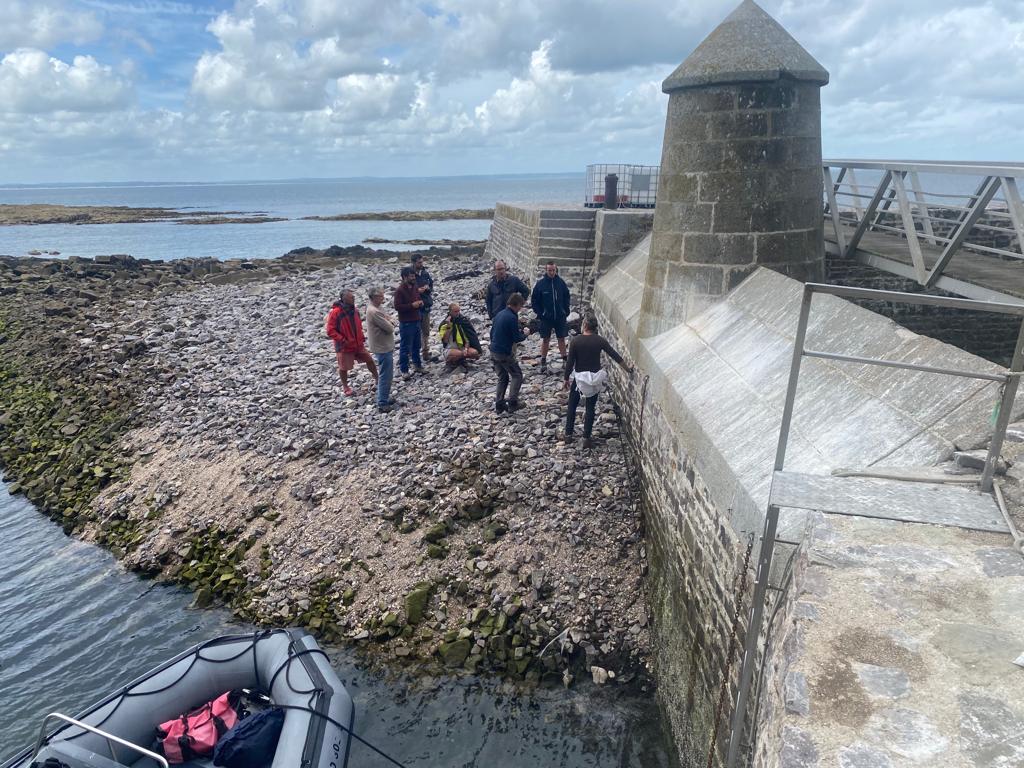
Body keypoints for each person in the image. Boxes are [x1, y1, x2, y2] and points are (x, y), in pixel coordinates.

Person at [563, 314, 631, 449]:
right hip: (594, 379)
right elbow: (614, 355)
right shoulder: (600, 341)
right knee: (590, 408)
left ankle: (568, 435)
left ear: (585, 325)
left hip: (580, 379)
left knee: (572, 405)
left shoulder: (576, 341)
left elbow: (570, 362)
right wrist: (628, 369)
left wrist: (566, 378)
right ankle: (586, 438)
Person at [325, 289, 378, 398]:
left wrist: (361, 337)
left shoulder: (355, 310)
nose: (353, 298)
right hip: (344, 346)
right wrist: (343, 340)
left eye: (353, 297)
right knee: (343, 367)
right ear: (344, 299)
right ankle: (345, 387)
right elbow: (330, 331)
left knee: (369, 360)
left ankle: (377, 379)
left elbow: (358, 325)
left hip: (358, 344)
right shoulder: (335, 313)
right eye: (351, 297)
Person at [490, 293, 532, 414]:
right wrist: (526, 334)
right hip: (504, 353)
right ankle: (513, 403)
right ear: (517, 305)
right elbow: (516, 337)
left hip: (493, 350)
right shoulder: (512, 317)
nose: (520, 309)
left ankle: (499, 405)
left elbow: (492, 332)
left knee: (502, 377)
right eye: (520, 306)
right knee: (517, 375)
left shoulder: (500, 314)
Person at [531, 261, 571, 374]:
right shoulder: (540, 284)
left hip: (560, 316)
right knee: (545, 339)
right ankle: (543, 360)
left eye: (553, 270)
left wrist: (566, 310)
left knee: (561, 338)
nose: (552, 272)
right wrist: (541, 313)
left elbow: (567, 296)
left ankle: (564, 359)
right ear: (546, 270)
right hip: (546, 318)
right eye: (550, 270)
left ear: (556, 270)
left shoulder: (561, 283)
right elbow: (534, 301)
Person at [366, 286, 399, 412]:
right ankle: (382, 402)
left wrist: (389, 320)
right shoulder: (374, 311)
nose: (383, 298)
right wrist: (389, 321)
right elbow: (390, 327)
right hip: (382, 347)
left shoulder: (377, 308)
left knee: (386, 373)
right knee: (386, 374)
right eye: (380, 296)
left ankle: (383, 396)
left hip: (383, 345)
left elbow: (389, 318)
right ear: (374, 298)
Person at [394, 266, 426, 381]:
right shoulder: (400, 290)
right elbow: (397, 307)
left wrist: (420, 303)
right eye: (411, 277)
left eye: (414, 276)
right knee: (405, 347)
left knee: (417, 345)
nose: (413, 278)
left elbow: (417, 297)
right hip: (406, 323)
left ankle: (417, 366)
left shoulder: (414, 287)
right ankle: (404, 370)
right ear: (404, 277)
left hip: (416, 320)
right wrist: (412, 305)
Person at [438, 303, 482, 372]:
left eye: (459, 311)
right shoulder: (444, 324)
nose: (458, 313)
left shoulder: (462, 321)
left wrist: (466, 349)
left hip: (462, 347)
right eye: (455, 311)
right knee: (459, 354)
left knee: (474, 353)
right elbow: (445, 341)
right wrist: (449, 327)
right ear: (450, 312)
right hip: (450, 348)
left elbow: (468, 338)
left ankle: (461, 360)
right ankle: (451, 362)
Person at [412, 253, 436, 362]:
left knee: (426, 331)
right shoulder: (410, 275)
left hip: (425, 306)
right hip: (415, 308)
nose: (421, 264)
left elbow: (431, 285)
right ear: (414, 262)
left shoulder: (425, 273)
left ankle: (425, 352)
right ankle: (414, 354)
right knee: (415, 332)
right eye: (419, 262)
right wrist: (417, 291)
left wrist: (427, 288)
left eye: (422, 262)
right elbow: (405, 290)